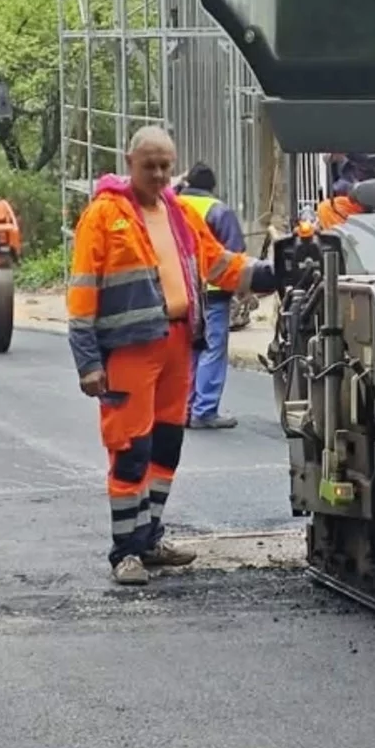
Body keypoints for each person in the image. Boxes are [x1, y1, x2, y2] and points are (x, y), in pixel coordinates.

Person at [67, 126, 280, 585]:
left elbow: (221, 265)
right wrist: (87, 361)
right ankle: (125, 552)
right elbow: (82, 290)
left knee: (166, 446)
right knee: (131, 449)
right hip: (129, 352)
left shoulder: (180, 214)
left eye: (166, 165)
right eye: (150, 165)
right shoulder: (104, 216)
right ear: (130, 162)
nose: (160, 174)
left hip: (179, 344)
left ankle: (149, 539)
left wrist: (275, 272)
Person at [176, 163, 246, 430]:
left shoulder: (171, 205)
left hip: (181, 290)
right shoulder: (218, 210)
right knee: (213, 348)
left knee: (190, 348)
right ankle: (205, 410)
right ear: (212, 186)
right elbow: (235, 252)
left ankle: (185, 407)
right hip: (213, 293)